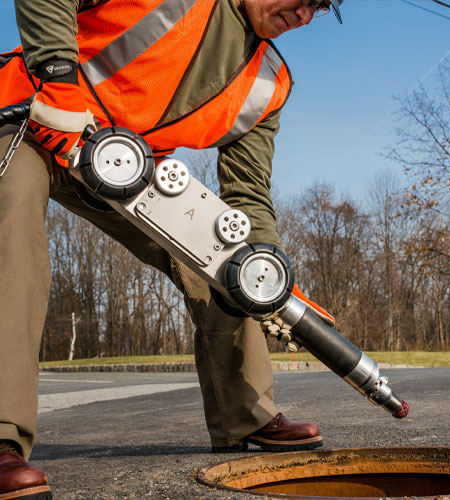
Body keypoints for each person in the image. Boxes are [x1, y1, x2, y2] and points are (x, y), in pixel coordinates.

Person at [0, 0, 342, 498]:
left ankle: (245, 416)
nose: (304, 15)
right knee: (13, 223)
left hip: (120, 164)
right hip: (31, 114)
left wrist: (269, 271)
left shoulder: (268, 83)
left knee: (227, 260)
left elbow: (247, 195)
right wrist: (57, 76)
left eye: (319, 8)